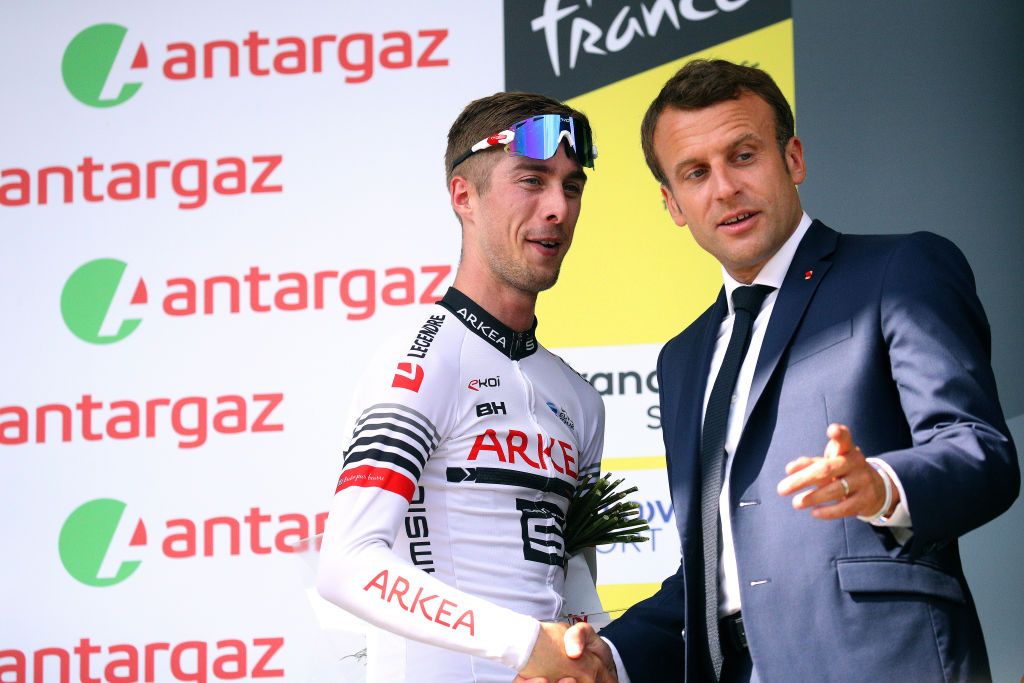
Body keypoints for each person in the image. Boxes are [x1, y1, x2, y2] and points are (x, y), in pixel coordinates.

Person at [524, 58, 1020, 682]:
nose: (724, 188)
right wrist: (608, 657)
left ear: (794, 159)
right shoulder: (681, 359)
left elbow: (981, 453)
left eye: (743, 155)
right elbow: (709, 576)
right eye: (696, 173)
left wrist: (883, 484)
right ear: (673, 204)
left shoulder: (899, 272)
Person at [316, 92, 615, 683]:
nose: (558, 207)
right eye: (532, 180)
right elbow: (346, 565)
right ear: (464, 197)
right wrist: (523, 644)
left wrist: (596, 656)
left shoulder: (580, 399)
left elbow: (573, 576)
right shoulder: (422, 361)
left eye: (571, 186)